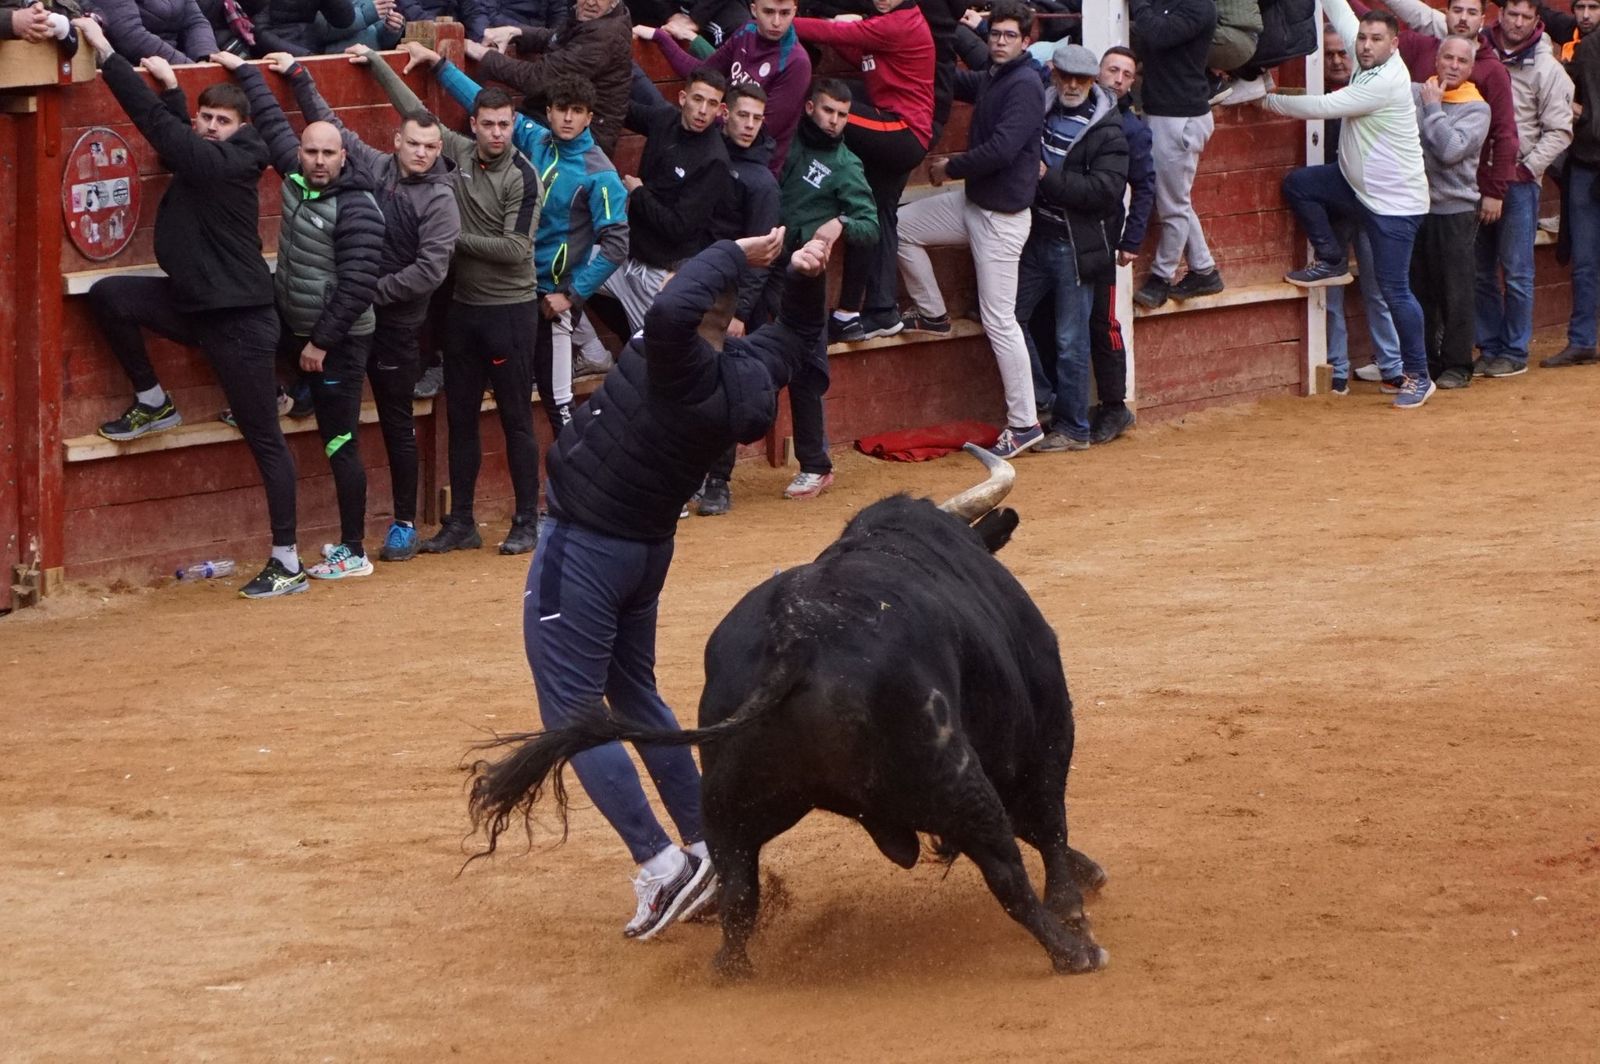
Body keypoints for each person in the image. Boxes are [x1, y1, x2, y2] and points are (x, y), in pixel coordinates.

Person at [493, 227, 833, 941]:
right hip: (642, 551)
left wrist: (740, 254)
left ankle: (661, 864)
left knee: (574, 713)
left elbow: (676, 309)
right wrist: (803, 275)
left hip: (584, 545)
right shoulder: (741, 368)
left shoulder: (677, 352)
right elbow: (798, 335)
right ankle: (708, 841)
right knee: (636, 692)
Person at [73, 17, 303, 599]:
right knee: (110, 296)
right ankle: (154, 400)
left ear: (243, 128)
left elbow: (162, 133)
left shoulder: (230, 163)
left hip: (241, 325)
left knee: (263, 441)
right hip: (198, 307)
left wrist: (107, 54)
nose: (210, 128)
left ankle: (288, 560)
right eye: (206, 118)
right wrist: (176, 93)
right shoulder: (213, 154)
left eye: (223, 122)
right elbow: (180, 137)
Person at [358, 42, 547, 557]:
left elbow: (515, 249)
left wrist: (444, 239)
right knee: (460, 414)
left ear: (513, 126)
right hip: (464, 308)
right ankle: (461, 521)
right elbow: (410, 113)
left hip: (510, 310)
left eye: (504, 125)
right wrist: (375, 60)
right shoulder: (457, 151)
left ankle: (526, 520)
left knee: (514, 416)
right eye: (486, 124)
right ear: (475, 124)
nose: (495, 133)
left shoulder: (524, 175)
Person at [276, 51, 463, 562]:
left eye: (431, 146)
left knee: (396, 421)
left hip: (397, 327)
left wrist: (363, 291)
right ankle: (306, 390)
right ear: (397, 142)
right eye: (414, 144)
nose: (421, 153)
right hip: (354, 322)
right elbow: (332, 128)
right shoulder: (376, 165)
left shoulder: (442, 200)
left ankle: (403, 523)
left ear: (438, 149)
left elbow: (430, 271)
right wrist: (298, 75)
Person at [219, 51, 385, 581]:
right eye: (309, 151)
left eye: (326, 153)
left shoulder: (358, 205)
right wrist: (246, 71)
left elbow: (359, 285)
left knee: (339, 440)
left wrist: (320, 342)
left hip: (338, 341)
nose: (316, 160)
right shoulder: (294, 175)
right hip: (298, 331)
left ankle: (354, 550)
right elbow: (269, 122)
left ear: (343, 157)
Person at [432, 54, 630, 435]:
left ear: (589, 116)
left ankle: (577, 491)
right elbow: (484, 102)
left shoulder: (601, 174)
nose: (568, 118)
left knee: (558, 403)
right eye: (560, 109)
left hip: (551, 299)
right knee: (516, 395)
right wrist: (440, 68)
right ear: (550, 113)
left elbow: (616, 246)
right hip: (513, 290)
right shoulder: (537, 138)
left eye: (577, 111)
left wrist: (571, 296)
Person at [1260, 0, 1435, 409]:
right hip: (1357, 186)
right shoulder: (1367, 59)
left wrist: (1268, 101)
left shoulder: (1387, 80)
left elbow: (1323, 107)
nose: (1365, 45)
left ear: (1395, 44)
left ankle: (1419, 376)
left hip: (1395, 204)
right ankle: (1332, 257)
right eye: (1363, 38)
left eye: (1376, 40)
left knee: (1394, 290)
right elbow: (1338, 10)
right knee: (1300, 185)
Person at [895, 0, 1045, 458]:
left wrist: (951, 165)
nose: (999, 42)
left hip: (1001, 219)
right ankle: (933, 313)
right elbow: (962, 82)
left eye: (1008, 36)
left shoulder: (1025, 84)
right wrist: (917, 67)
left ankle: (1024, 424)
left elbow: (1001, 150)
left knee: (1000, 321)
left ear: (1026, 41)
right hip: (975, 204)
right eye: (994, 35)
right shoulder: (999, 75)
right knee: (901, 225)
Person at [793, 0, 934, 342]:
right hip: (903, 134)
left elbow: (838, 34)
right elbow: (861, 54)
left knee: (825, 110)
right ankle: (875, 312)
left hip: (901, 131)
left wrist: (785, 23)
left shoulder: (899, 23)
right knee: (875, 216)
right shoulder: (888, 25)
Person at [1017, 43, 1128, 453]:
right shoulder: (1039, 110)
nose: (1073, 85)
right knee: (1008, 319)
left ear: (1093, 81)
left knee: (1071, 340)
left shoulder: (1109, 130)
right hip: (1035, 238)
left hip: (1074, 248)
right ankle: (1045, 399)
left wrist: (1047, 178)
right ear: (1054, 74)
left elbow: (1105, 192)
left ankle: (1074, 427)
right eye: (1066, 77)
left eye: (1082, 79)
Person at [771, 79, 877, 499]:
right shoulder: (784, 136)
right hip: (760, 265)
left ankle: (816, 464)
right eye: (828, 110)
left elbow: (871, 225)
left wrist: (842, 223)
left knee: (807, 371)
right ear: (811, 106)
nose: (834, 121)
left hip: (804, 279)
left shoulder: (846, 164)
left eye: (842, 114)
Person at [1470, 0, 1572, 377]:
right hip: (1477, 179)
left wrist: (1527, 170)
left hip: (1519, 182)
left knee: (1516, 272)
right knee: (1480, 271)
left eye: (1525, 17)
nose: (1516, 22)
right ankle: (1491, 345)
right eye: (1511, 14)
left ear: (1536, 21)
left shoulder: (1548, 68)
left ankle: (1513, 351)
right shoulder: (1476, 52)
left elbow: (1560, 130)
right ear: (1500, 15)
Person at [591, 67, 731, 333]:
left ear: (720, 110)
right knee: (563, 269)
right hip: (625, 258)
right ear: (682, 98)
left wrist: (638, 193)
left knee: (653, 360)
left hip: (661, 274)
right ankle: (595, 351)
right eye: (698, 99)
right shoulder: (664, 119)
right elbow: (621, 109)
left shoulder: (714, 159)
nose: (703, 110)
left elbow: (679, 227)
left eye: (711, 103)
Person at [1317, 21, 1404, 394]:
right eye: (1330, 55)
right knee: (1332, 291)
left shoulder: (1378, 87)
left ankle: (1391, 365)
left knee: (1379, 289)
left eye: (1343, 53)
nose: (1338, 61)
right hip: (1334, 209)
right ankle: (1337, 366)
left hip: (1371, 205)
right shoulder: (1318, 99)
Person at [635, 0, 811, 172]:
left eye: (785, 13)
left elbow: (761, 127)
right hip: (719, 145)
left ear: (795, 11)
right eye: (769, 12)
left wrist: (705, 114)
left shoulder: (796, 63)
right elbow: (703, 74)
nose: (776, 22)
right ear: (754, 10)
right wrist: (660, 37)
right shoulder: (746, 32)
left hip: (752, 165)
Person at [1130, 0, 1225, 309]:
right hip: (1169, 112)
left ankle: (1161, 276)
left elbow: (1157, 33)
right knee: (1176, 200)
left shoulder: (1198, 6)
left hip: (1179, 118)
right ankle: (1204, 270)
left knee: (1173, 205)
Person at [1411, 35, 1491, 389]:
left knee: (1456, 290)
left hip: (1455, 209)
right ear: (1437, 61)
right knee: (1420, 289)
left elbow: (1449, 150)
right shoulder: (1416, 92)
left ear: (1471, 68)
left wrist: (1432, 109)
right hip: (1416, 205)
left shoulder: (1477, 108)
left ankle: (1458, 364)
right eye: (1448, 58)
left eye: (1461, 61)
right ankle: (1426, 361)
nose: (1453, 66)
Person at [1086, 44, 1154, 445]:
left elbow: (1145, 187)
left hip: (1105, 236)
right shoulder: (1074, 112)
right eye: (1113, 70)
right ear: (1099, 72)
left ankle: (1114, 406)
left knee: (1104, 321)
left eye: (1127, 75)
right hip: (1061, 231)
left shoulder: (1133, 130)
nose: (1118, 79)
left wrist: (1132, 239)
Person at [472, 0, 632, 156]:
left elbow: (536, 79)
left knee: (488, 126)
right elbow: (557, 38)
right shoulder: (596, 20)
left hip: (580, 140)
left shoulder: (605, 34)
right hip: (553, 117)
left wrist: (484, 54)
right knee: (485, 120)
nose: (590, 2)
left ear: (614, 2)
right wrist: (516, 32)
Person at [1547, 0, 1600, 367]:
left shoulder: (1585, 48)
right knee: (1584, 260)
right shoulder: (1581, 47)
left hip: (1586, 159)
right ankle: (1582, 340)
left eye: (1593, 7)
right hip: (1585, 162)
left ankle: (1583, 339)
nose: (1585, 14)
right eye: (1579, 6)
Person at [82, 0, 219, 62]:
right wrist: (187, 67)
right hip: (133, 70)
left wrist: (206, 58)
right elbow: (130, 37)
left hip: (178, 64)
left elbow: (195, 21)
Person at [252, 0, 355, 53]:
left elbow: (343, 21)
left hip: (309, 42)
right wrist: (307, 56)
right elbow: (258, 32)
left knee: (369, 32)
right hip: (277, 54)